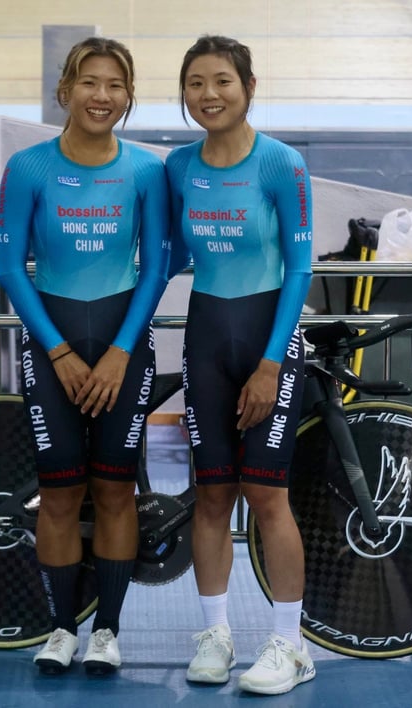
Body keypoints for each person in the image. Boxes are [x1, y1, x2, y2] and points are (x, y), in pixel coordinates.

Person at [0, 36, 170, 677]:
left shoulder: (146, 171)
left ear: (129, 95)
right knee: (59, 494)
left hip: (123, 347)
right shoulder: (29, 168)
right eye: (89, 83)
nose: (102, 96)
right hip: (53, 348)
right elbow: (10, 269)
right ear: (65, 91)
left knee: (116, 490)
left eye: (116, 85)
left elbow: (155, 270)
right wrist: (60, 352)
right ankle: (62, 628)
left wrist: (121, 352)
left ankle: (107, 631)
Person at [165, 35, 316, 696]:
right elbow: (170, 256)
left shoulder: (281, 163)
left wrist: (270, 364)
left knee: (266, 496)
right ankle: (216, 636)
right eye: (195, 83)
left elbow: (301, 267)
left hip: (267, 340)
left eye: (222, 81)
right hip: (206, 337)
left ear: (249, 87)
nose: (209, 94)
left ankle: (290, 644)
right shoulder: (177, 166)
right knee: (211, 495)